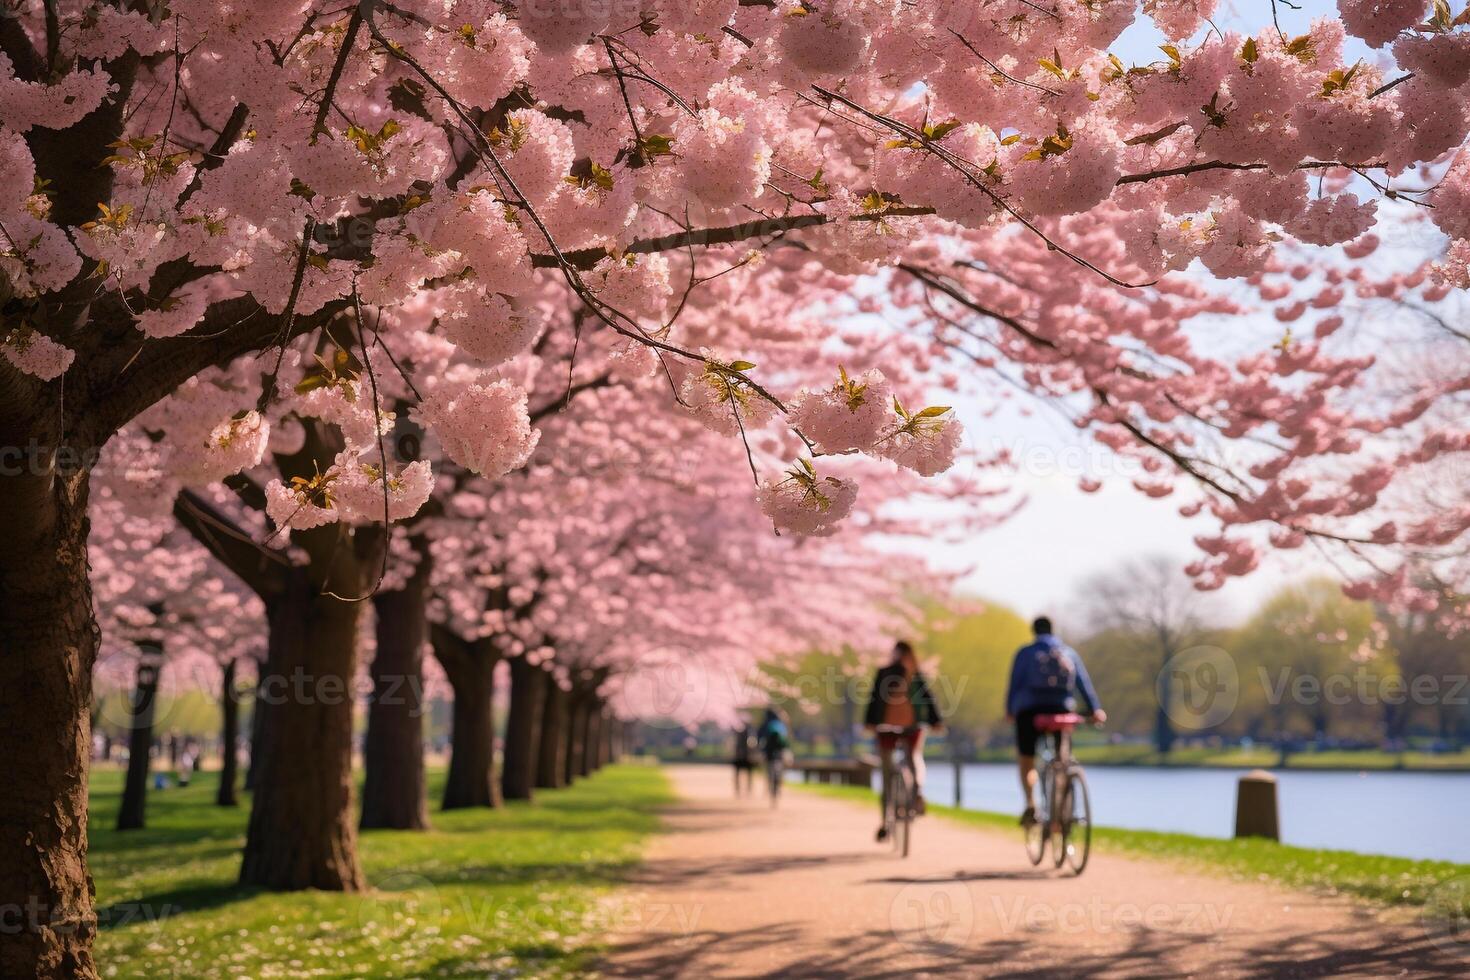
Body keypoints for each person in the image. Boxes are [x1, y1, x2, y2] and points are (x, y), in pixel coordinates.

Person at [1005, 616, 1106, 826]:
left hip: (1029, 712)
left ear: (1034, 631)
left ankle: (1031, 805)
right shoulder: (1068, 652)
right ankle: (1062, 806)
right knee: (1063, 759)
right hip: (1061, 711)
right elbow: (1082, 683)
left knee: (1027, 760)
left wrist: (1010, 711)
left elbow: (1014, 684)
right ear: (1053, 630)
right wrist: (1095, 709)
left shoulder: (1025, 653)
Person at [863, 640, 943, 842]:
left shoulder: (884, 672)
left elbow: (874, 699)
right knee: (914, 756)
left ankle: (884, 822)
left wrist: (870, 723)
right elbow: (927, 698)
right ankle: (918, 789)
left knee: (887, 773)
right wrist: (935, 721)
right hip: (911, 727)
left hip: (885, 728)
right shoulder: (915, 674)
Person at [755, 706, 791, 804]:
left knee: (769, 770)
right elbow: (786, 739)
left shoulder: (765, 724)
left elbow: (759, 737)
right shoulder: (781, 724)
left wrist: (760, 749)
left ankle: (771, 787)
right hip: (780, 751)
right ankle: (778, 785)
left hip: (768, 751)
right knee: (779, 769)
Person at [731, 722, 756, 797]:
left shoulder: (738, 734)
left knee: (739, 774)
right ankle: (747, 789)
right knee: (748, 774)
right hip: (746, 756)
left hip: (739, 756)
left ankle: (739, 789)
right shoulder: (750, 734)